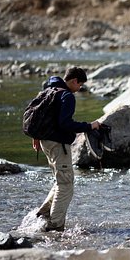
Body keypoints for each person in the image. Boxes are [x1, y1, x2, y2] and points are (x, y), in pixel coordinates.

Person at [33, 66, 100, 231]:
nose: (79, 89)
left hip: (45, 141)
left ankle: (45, 213)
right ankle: (56, 226)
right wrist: (89, 126)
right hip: (57, 144)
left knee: (60, 179)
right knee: (66, 185)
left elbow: (39, 114)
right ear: (74, 81)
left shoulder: (49, 90)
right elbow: (65, 123)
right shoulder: (67, 96)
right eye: (80, 85)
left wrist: (36, 136)